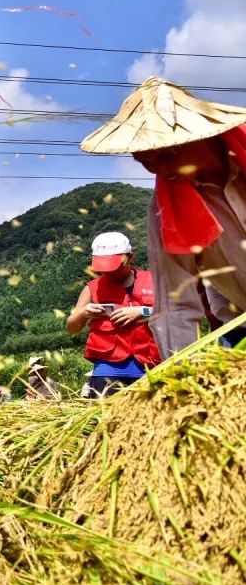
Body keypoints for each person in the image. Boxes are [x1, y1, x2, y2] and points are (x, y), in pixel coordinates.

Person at [81, 77, 246, 358]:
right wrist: (179, 375)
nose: (159, 171)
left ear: (204, 136)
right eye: (145, 162)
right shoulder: (167, 211)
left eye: (167, 155)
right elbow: (175, 305)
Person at [65, 232, 159, 397]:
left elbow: (176, 312)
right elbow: (72, 328)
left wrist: (142, 311)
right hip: (107, 368)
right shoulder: (92, 288)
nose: (108, 273)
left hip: (151, 364)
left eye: (114, 267)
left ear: (130, 257)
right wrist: (83, 313)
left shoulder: (155, 280)